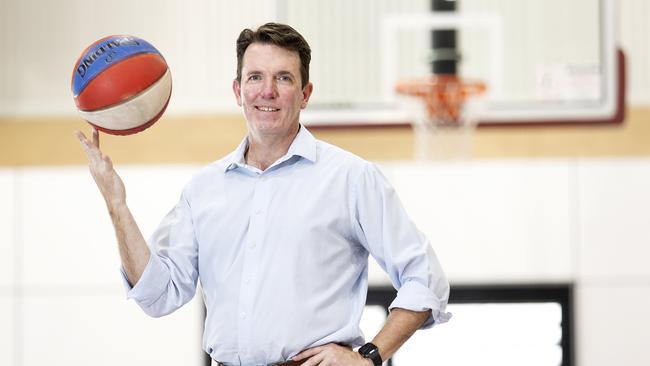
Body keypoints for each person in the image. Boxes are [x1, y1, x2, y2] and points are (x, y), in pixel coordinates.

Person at [76, 22, 450, 366]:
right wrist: (116, 205)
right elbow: (156, 295)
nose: (267, 91)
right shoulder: (204, 189)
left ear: (305, 94)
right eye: (255, 77)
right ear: (238, 90)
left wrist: (369, 357)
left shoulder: (351, 178)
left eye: (283, 78)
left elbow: (425, 278)